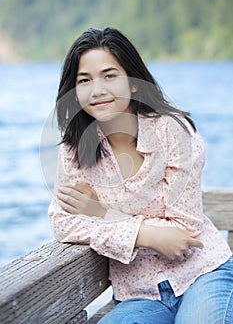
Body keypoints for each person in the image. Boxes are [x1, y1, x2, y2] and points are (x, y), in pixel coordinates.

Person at [48, 27, 233, 323]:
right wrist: (147, 234)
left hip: (202, 274)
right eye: (84, 80)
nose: (97, 90)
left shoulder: (174, 132)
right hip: (137, 294)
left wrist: (99, 212)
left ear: (133, 83)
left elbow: (182, 231)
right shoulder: (73, 150)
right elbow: (62, 222)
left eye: (110, 76)